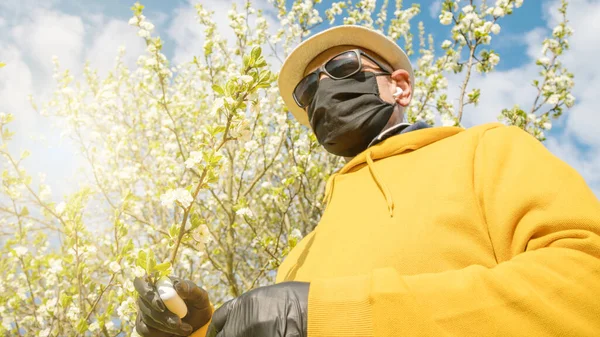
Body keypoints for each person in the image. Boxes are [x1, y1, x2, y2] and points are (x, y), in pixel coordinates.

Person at [134, 25, 600, 337]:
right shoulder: (302, 254)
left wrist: (333, 314)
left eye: (342, 68)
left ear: (400, 86)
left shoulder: (485, 150)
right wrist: (200, 330)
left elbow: (585, 288)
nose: (324, 92)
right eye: (308, 91)